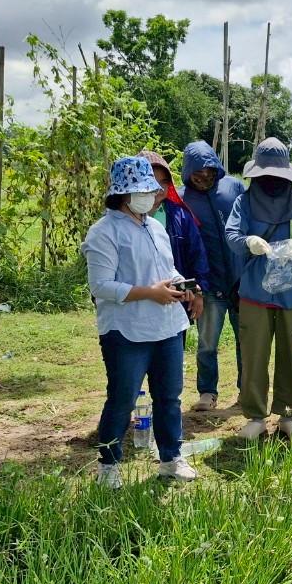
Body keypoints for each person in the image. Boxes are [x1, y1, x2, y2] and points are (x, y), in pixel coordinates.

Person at [80, 156, 199, 488]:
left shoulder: (155, 227)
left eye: (152, 189)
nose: (151, 195)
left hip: (167, 327)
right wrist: (149, 292)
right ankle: (108, 465)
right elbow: (101, 286)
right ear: (122, 194)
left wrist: (182, 285)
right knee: (122, 397)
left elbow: (167, 271)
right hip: (127, 331)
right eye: (143, 190)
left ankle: (171, 459)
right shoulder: (105, 232)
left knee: (169, 397)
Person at [224, 138, 292, 441]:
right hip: (255, 293)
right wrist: (249, 243)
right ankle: (255, 416)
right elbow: (231, 234)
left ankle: (288, 414)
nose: (272, 181)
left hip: (291, 296)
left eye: (277, 175)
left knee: (290, 354)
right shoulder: (243, 203)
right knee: (253, 355)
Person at [180, 141, 245, 412]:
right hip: (208, 284)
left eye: (209, 172)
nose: (204, 178)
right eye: (198, 174)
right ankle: (208, 392)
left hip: (241, 280)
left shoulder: (234, 187)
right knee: (207, 342)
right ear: (187, 173)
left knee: (247, 341)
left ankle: (246, 392)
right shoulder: (183, 198)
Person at [139, 149, 206, 323]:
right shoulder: (119, 220)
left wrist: (199, 292)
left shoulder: (181, 216)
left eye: (164, 182)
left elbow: (197, 255)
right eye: (152, 181)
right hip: (136, 304)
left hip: (176, 300)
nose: (159, 188)